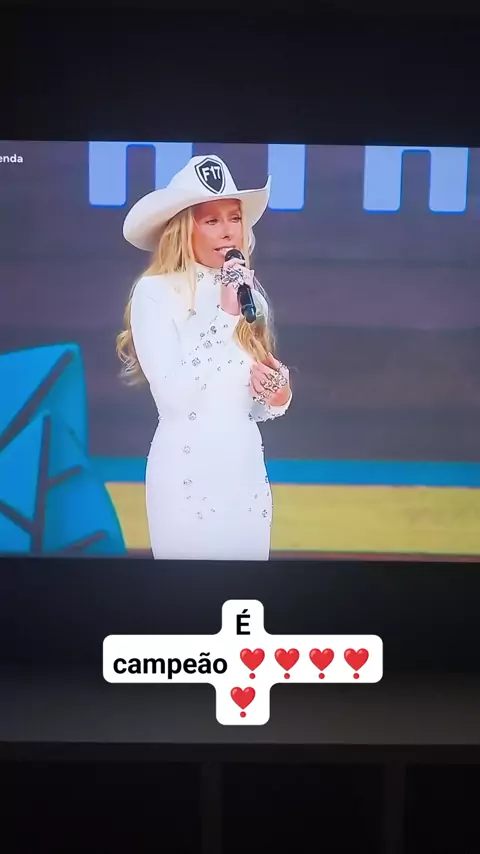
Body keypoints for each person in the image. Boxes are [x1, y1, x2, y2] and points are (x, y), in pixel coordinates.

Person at [116, 154, 292, 560]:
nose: (228, 231)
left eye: (234, 218)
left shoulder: (249, 295)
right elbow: (175, 397)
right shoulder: (154, 293)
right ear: (183, 229)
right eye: (211, 220)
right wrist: (225, 317)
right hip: (187, 479)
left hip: (245, 478)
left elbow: (250, 402)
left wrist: (277, 393)